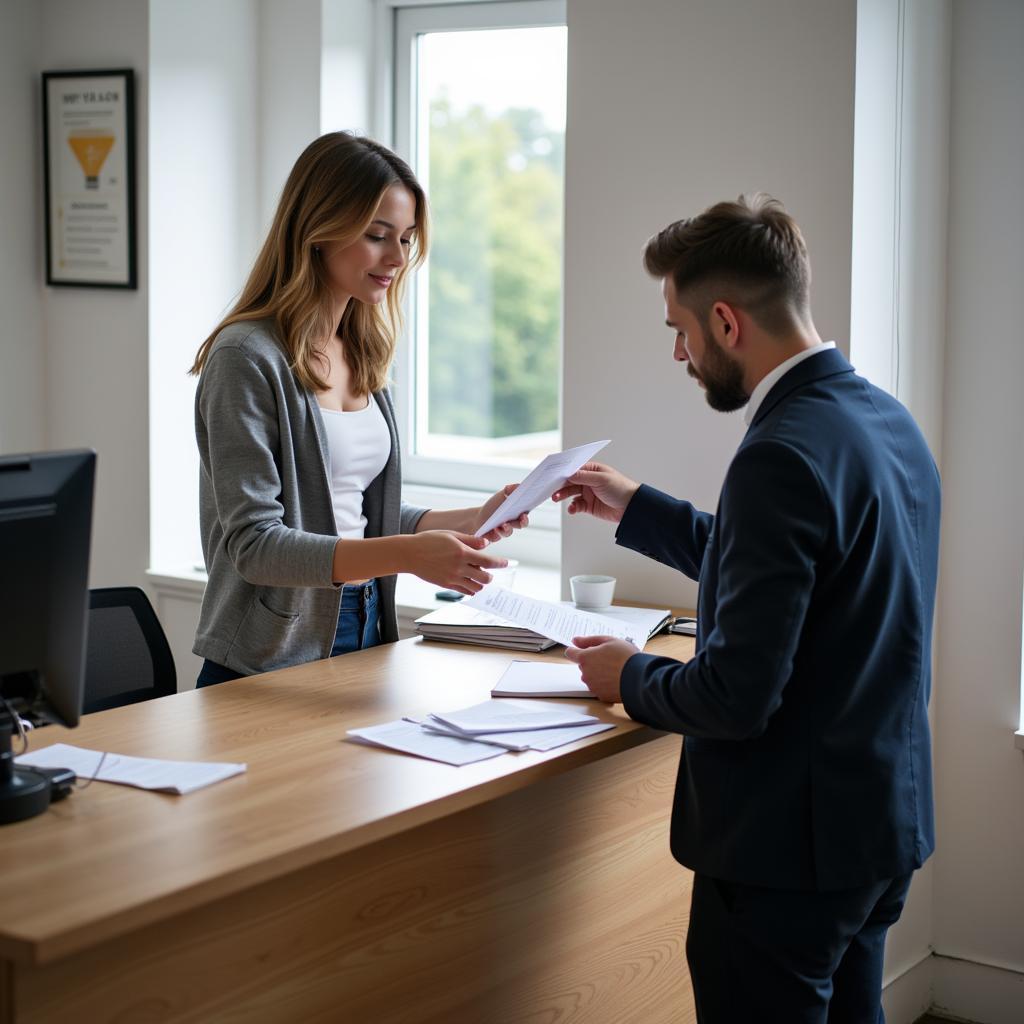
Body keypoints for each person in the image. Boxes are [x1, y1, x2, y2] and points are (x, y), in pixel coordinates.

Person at [554, 194, 940, 1023]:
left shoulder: (778, 456)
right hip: (878, 827)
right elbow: (802, 574)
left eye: (679, 330)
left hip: (784, 854)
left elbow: (735, 696)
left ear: (725, 323)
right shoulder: (886, 422)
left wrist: (630, 676)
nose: (679, 353)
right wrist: (640, 509)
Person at [189, 132, 525, 686]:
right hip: (269, 650)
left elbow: (352, 510)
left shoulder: (362, 347)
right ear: (317, 231)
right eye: (377, 236)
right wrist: (412, 554)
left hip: (367, 623)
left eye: (407, 239)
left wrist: (468, 520)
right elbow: (255, 546)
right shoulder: (245, 358)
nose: (397, 258)